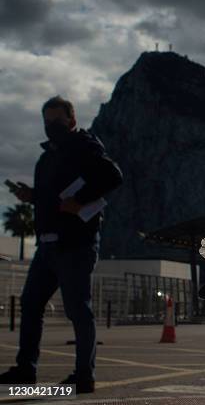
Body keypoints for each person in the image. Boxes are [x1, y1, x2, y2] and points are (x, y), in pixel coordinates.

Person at [0, 96, 123, 393]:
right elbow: (51, 198)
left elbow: (113, 176)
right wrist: (32, 196)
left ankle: (84, 376)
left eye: (57, 120)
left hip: (75, 244)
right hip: (46, 245)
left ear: (71, 119)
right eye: (47, 121)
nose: (51, 126)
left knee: (78, 309)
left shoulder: (84, 146)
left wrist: (79, 201)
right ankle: (25, 369)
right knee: (30, 304)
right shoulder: (46, 158)